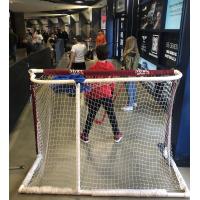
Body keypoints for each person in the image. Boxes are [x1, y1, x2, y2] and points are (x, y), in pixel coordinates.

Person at [81, 44, 122, 143]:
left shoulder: (93, 67)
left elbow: (89, 82)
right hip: (106, 94)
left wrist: (88, 95)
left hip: (94, 94)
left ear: (96, 55)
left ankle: (85, 135)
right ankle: (116, 134)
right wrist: (111, 91)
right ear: (107, 55)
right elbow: (112, 82)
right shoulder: (111, 66)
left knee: (91, 115)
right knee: (111, 114)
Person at [121, 36, 140, 111]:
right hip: (134, 73)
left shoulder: (129, 54)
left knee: (129, 88)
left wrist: (124, 69)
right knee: (133, 87)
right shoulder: (137, 53)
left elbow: (128, 66)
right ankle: (134, 102)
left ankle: (130, 105)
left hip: (129, 74)